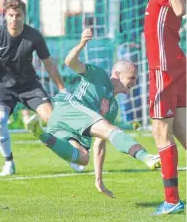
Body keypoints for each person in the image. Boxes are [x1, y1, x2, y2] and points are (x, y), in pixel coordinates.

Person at [27, 28, 161, 197]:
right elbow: (70, 62)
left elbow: (100, 144)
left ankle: (41, 134)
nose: (135, 82)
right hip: (68, 109)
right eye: (132, 77)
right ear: (118, 74)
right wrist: (82, 43)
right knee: (112, 130)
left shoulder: (112, 107)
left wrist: (99, 180)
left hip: (63, 126)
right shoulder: (99, 74)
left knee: (83, 159)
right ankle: (146, 157)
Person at [0, 0, 65, 176]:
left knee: (53, 120)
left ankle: (72, 157)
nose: (14, 19)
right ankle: (8, 162)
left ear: (24, 16)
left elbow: (49, 65)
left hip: (30, 86)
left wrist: (62, 89)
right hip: (4, 87)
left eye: (18, 15)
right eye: (11, 15)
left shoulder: (34, 36)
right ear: (5, 16)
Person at [139, 0, 186, 215]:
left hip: (164, 70)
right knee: (182, 132)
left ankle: (172, 200)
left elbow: (180, 9)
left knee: (160, 132)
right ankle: (172, 200)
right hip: (175, 67)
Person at [118, 0, 149, 124]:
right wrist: (125, 40)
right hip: (126, 48)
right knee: (125, 81)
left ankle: (141, 117)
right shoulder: (122, 0)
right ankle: (127, 118)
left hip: (142, 48)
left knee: (141, 82)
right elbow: (117, 24)